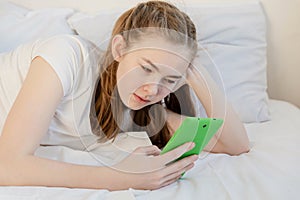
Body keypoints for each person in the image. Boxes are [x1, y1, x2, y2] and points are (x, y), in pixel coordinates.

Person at [0, 0, 250, 190]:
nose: (153, 90)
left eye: (169, 80)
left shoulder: (142, 109)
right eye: (146, 68)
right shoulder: (66, 56)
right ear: (119, 48)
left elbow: (235, 145)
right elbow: (7, 166)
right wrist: (125, 177)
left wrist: (192, 69)